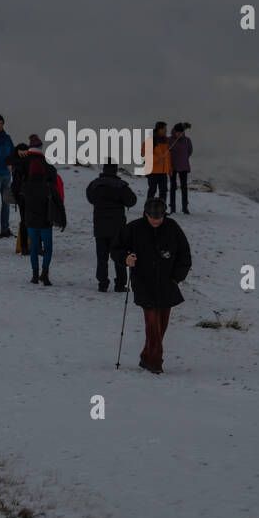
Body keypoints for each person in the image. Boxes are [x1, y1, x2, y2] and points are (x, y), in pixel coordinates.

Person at [113, 198, 191, 374]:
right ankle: (155, 362)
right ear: (146, 214)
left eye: (160, 218)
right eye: (153, 218)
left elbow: (184, 254)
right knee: (152, 324)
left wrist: (177, 277)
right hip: (143, 282)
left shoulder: (172, 228)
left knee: (161, 325)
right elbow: (116, 249)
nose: (156, 221)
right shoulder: (134, 228)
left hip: (167, 283)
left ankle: (146, 356)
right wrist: (125, 258)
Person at [86, 163, 137, 291]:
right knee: (119, 256)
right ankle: (120, 284)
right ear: (115, 171)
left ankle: (102, 284)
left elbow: (90, 198)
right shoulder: (121, 186)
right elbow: (132, 201)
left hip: (100, 227)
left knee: (101, 258)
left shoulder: (95, 185)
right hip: (117, 229)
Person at [21, 156, 66, 285]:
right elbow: (59, 203)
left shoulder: (25, 187)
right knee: (48, 248)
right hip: (46, 223)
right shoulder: (49, 187)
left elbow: (21, 202)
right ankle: (44, 274)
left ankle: (35, 275)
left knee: (34, 249)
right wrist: (63, 220)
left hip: (30, 223)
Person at [5, 141, 32, 254]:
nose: (23, 154)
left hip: (29, 194)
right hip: (22, 195)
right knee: (26, 221)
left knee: (30, 221)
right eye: (21, 152)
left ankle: (29, 246)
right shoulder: (16, 161)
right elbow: (7, 160)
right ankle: (25, 246)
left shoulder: (29, 160)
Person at [167, 122, 193, 214]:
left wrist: (183, 158)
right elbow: (166, 151)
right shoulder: (169, 140)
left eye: (181, 132)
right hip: (172, 166)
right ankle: (172, 207)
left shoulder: (187, 140)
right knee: (173, 187)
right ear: (174, 131)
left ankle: (185, 207)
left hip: (183, 166)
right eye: (178, 132)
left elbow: (189, 151)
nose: (179, 134)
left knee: (184, 187)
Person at [143, 121, 171, 202]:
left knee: (163, 191)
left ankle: (162, 210)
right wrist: (157, 159)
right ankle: (147, 209)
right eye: (164, 129)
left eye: (166, 129)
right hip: (152, 171)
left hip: (163, 172)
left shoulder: (166, 141)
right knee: (152, 190)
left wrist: (169, 169)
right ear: (159, 129)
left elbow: (168, 156)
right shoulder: (150, 140)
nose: (166, 130)